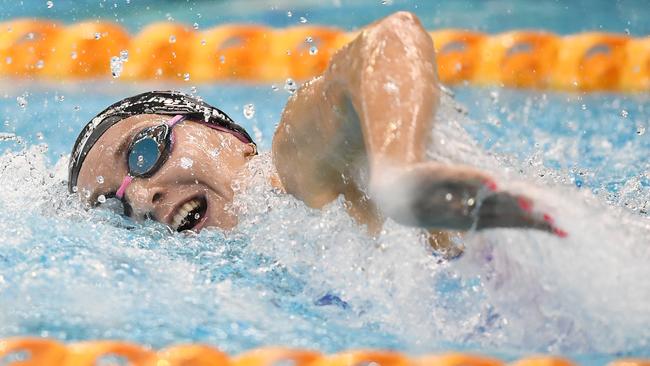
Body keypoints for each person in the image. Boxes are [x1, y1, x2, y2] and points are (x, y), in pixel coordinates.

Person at [68, 12, 566, 258]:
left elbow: (390, 39)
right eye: (114, 208)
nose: (142, 195)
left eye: (143, 152)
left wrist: (400, 174)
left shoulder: (294, 165)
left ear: (224, 133)